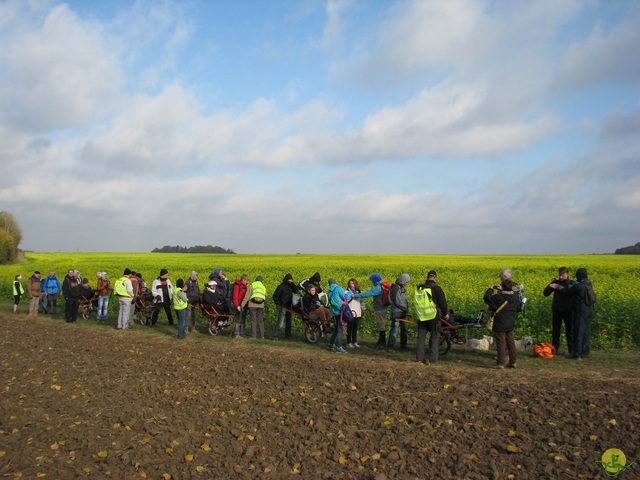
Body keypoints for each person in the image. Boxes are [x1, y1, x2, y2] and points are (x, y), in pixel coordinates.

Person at [484, 272, 518, 369]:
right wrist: (502, 289)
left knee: (501, 342)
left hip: (500, 323)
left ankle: (500, 363)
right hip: (510, 322)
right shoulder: (514, 296)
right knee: (511, 342)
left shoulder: (500, 297)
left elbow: (487, 298)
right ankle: (513, 361)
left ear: (502, 287)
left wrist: (491, 289)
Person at [415, 270, 448, 365]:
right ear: (435, 278)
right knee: (435, 338)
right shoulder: (437, 288)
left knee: (421, 339)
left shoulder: (419, 288)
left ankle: (419, 359)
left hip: (422, 317)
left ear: (427, 277)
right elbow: (442, 303)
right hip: (433, 317)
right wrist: (446, 313)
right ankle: (433, 360)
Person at [543, 267, 574, 355]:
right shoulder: (555, 283)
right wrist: (549, 286)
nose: (560, 277)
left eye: (562, 275)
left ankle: (571, 350)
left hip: (569, 310)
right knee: (556, 330)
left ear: (567, 274)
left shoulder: (572, 283)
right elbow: (545, 294)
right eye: (559, 275)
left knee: (570, 330)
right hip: (557, 310)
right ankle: (555, 349)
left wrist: (562, 288)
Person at [565, 268, 594, 361]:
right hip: (589, 310)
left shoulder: (578, 286)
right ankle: (585, 351)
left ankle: (577, 355)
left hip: (581, 311)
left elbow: (567, 293)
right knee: (586, 331)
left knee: (578, 332)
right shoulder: (588, 283)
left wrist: (563, 288)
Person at [354, 273, 389, 348]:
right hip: (384, 308)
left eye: (372, 280)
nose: (372, 282)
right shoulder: (383, 286)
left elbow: (368, 294)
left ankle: (382, 343)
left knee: (381, 325)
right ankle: (380, 341)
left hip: (380, 309)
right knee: (381, 324)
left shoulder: (378, 288)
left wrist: (356, 295)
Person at [327, 278, 353, 353]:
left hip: (334, 313)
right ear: (336, 282)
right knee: (340, 330)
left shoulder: (330, 291)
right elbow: (346, 297)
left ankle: (330, 344)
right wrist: (350, 291)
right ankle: (339, 347)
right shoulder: (338, 289)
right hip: (340, 312)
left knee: (336, 329)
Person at [387, 273, 411, 352]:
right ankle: (390, 347)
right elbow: (398, 302)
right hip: (397, 312)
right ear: (402, 280)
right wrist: (405, 308)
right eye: (406, 282)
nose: (407, 283)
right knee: (394, 330)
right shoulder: (396, 288)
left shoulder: (401, 287)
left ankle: (403, 346)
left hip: (402, 312)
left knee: (404, 329)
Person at [272, 273, 298, 340]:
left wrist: (292, 284)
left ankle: (288, 336)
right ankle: (276, 336)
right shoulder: (281, 286)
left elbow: (296, 291)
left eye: (291, 280)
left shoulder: (290, 287)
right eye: (289, 280)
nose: (290, 281)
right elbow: (275, 296)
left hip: (289, 306)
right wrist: (278, 304)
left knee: (289, 322)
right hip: (283, 306)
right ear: (286, 280)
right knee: (280, 322)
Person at [345, 278, 364, 348]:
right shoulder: (347, 292)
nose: (351, 285)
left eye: (352, 283)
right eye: (350, 283)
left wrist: (363, 309)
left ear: (355, 284)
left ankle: (354, 341)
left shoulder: (359, 292)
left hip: (358, 311)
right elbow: (346, 300)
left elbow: (362, 302)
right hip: (350, 311)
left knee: (355, 328)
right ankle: (349, 342)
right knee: (350, 327)